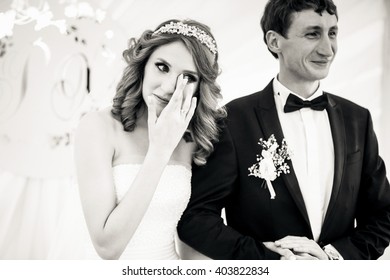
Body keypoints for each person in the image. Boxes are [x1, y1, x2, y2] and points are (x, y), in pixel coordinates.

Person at [177, 0, 390, 260]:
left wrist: (333, 258)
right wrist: (272, 262)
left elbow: (383, 216)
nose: (328, 49)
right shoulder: (233, 121)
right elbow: (196, 219)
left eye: (332, 33)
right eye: (313, 34)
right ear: (274, 41)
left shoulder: (358, 119)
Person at [74, 19, 226, 260]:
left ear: (199, 88)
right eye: (162, 67)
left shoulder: (196, 139)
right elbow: (107, 247)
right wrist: (159, 151)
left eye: (188, 77)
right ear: (143, 64)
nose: (168, 87)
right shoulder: (98, 127)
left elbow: (193, 234)